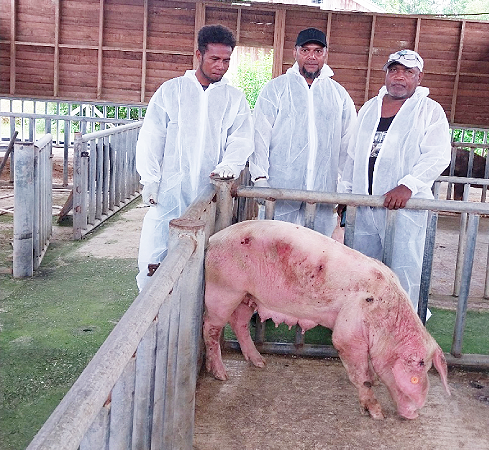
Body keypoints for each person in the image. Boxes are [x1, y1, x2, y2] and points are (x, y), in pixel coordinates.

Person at [135, 24, 253, 291]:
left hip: (209, 191)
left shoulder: (233, 98)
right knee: (158, 248)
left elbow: (242, 137)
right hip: (170, 189)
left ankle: (195, 311)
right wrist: (150, 179)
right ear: (198, 55)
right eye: (215, 59)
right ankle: (151, 307)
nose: (221, 66)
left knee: (206, 253)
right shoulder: (171, 91)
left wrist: (229, 165)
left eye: (226, 60)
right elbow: (153, 136)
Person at [339, 49, 451, 313]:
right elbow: (353, 154)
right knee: (363, 266)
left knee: (404, 265)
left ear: (419, 77)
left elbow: (438, 155)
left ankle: (407, 322)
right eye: (394, 70)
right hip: (365, 204)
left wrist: (409, 185)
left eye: (408, 72)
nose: (399, 77)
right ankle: (362, 320)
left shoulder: (429, 111)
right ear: (386, 74)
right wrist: (345, 194)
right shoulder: (369, 107)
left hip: (404, 208)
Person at [250, 27, 356, 237]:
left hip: (322, 193)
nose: (311, 57)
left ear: (325, 54)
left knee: (316, 257)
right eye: (305, 50)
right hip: (279, 192)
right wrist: (260, 177)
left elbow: (349, 142)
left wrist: (346, 187)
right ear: (295, 52)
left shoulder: (338, 95)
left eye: (317, 51)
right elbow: (259, 134)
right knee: (275, 251)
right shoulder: (275, 89)